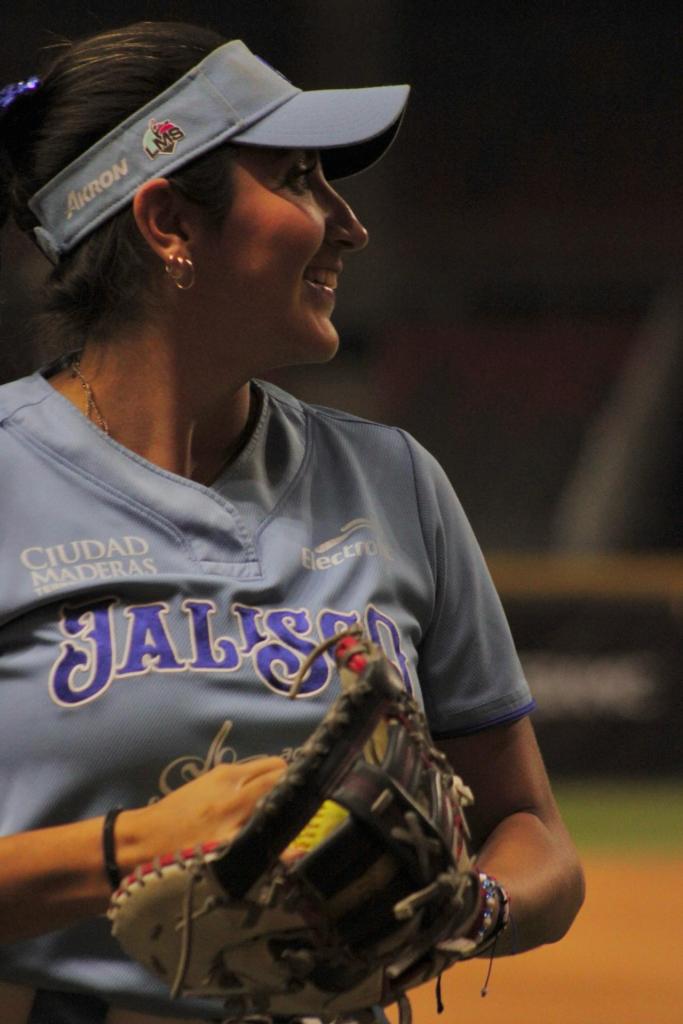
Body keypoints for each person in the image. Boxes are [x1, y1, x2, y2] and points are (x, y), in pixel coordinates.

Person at [0, 20, 584, 1024]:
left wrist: (466, 908)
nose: (349, 226)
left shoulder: (393, 480)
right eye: (300, 179)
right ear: (168, 222)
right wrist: (136, 848)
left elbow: (533, 831)